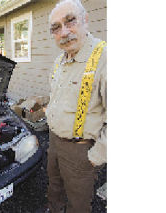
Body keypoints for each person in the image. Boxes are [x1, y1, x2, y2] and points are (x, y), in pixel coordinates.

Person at [44, 0, 107, 212]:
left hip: (80, 150)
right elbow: (58, 97)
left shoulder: (105, 59)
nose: (63, 32)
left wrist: (95, 157)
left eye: (70, 21)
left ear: (85, 20)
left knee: (78, 204)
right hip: (53, 141)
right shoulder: (58, 62)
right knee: (54, 189)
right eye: (56, 28)